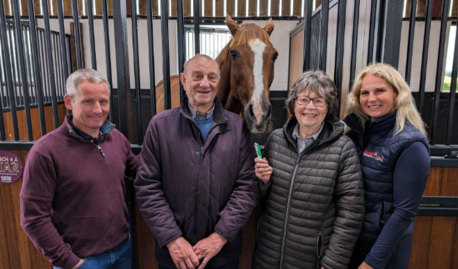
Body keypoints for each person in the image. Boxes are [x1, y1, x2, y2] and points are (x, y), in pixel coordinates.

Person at [134, 54, 258, 269]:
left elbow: (247, 187)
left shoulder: (237, 127)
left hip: (222, 254)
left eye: (211, 77)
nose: (204, 83)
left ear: (218, 82)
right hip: (175, 255)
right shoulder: (160, 126)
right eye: (197, 76)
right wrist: (173, 239)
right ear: (183, 80)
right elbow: (147, 187)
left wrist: (219, 237)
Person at [20, 69, 138, 269]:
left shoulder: (116, 138)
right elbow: (33, 217)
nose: (98, 110)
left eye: (103, 101)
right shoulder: (46, 151)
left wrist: (165, 143)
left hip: (123, 251)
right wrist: (70, 262)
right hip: (81, 260)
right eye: (88, 101)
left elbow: (139, 171)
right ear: (68, 102)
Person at [252, 70, 365, 269]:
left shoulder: (343, 149)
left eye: (318, 100)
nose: (310, 107)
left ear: (328, 106)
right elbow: (263, 197)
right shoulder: (276, 140)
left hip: (313, 259)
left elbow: (351, 214)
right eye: (303, 99)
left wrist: (332, 264)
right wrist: (263, 181)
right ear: (293, 103)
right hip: (268, 254)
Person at [344, 63, 430, 269]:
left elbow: (404, 213)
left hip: (384, 252)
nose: (371, 98)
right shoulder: (360, 133)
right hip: (357, 242)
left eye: (379, 90)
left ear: (397, 93)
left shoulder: (412, 144)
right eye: (365, 92)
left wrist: (371, 263)